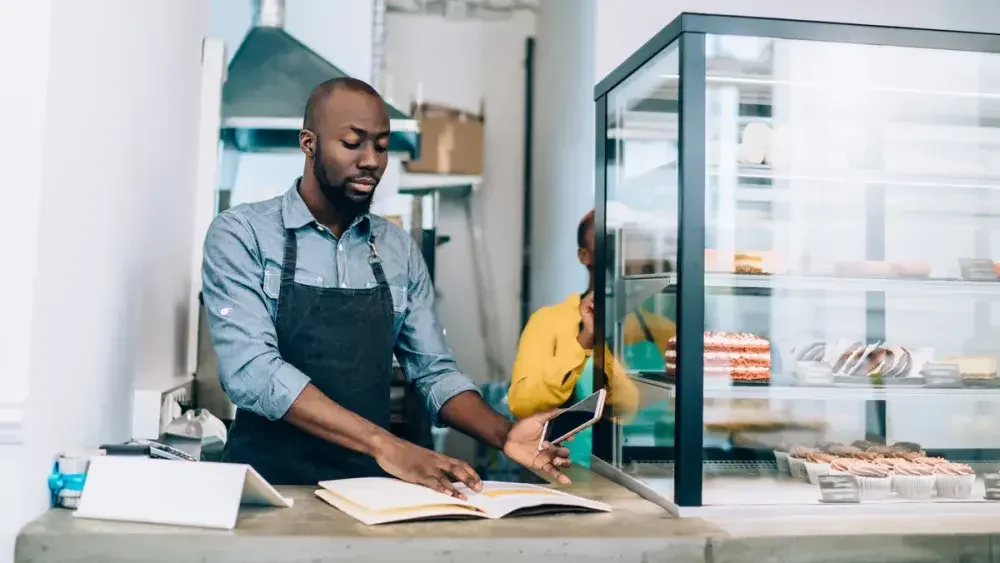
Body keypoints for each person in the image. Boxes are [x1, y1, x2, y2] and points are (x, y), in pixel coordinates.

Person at [201, 77, 569, 497]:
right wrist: (386, 444)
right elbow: (253, 371)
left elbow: (434, 371)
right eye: (353, 142)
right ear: (309, 143)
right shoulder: (242, 234)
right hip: (267, 488)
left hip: (368, 491)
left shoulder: (396, 249)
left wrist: (504, 434)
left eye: (381, 145)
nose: (372, 159)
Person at [507, 210, 675, 466]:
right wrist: (586, 339)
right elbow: (523, 405)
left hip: (655, 470)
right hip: (572, 472)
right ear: (584, 256)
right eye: (610, 243)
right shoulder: (548, 322)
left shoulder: (661, 329)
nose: (623, 255)